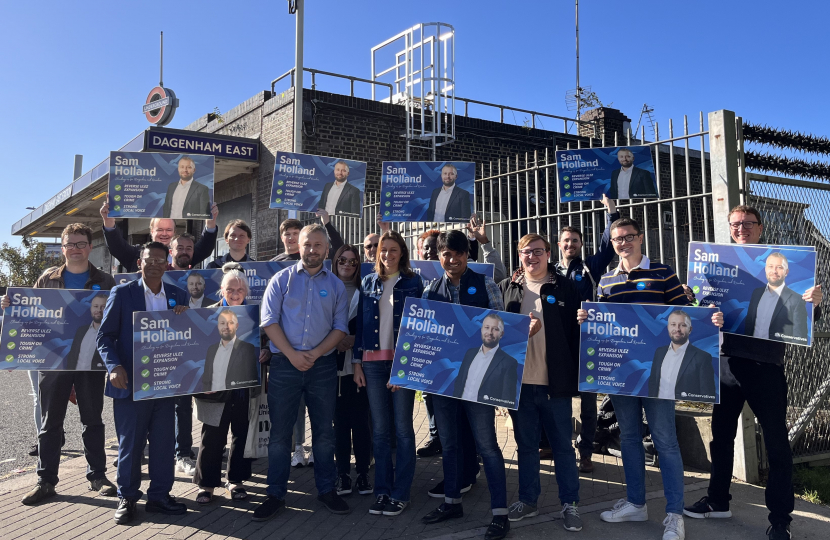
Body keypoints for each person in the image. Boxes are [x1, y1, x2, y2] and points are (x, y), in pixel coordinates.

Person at [577, 217, 723, 540]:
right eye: (617, 239)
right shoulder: (606, 281)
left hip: (660, 376)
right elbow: (604, 327)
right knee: (628, 438)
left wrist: (709, 317)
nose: (624, 242)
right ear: (612, 244)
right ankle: (636, 503)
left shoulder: (663, 273)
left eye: (629, 236)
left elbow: (687, 316)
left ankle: (674, 515)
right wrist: (586, 318)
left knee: (665, 441)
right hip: (622, 374)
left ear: (641, 237)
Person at [683, 205, 823, 540]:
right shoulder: (722, 269)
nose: (741, 228)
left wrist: (814, 303)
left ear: (760, 228)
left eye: (748, 223)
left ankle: (780, 520)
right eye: (735, 224)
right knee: (721, 439)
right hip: (727, 363)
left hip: (765, 368)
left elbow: (803, 324)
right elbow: (703, 314)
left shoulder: (786, 276)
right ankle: (718, 501)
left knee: (777, 445)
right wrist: (692, 299)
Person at [7, 223, 117, 506]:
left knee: (92, 420)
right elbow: (28, 313)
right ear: (63, 246)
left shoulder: (106, 281)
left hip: (90, 362)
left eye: (81, 244)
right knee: (50, 423)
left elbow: (116, 320)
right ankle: (45, 481)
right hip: (53, 362)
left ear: (90, 247)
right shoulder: (47, 278)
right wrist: (10, 306)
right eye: (70, 244)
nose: (75, 249)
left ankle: (98, 477)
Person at [254, 223, 350, 520]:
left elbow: (340, 328)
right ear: (300, 245)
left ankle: (326, 490)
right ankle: (275, 494)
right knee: (280, 435)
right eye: (307, 244)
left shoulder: (335, 285)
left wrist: (315, 354)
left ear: (326, 249)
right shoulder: (280, 280)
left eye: (318, 246)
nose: (312, 250)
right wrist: (294, 356)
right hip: (284, 366)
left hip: (321, 367)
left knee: (324, 434)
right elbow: (269, 322)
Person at [421, 230, 510, 540]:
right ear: (439, 256)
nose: (452, 258)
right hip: (444, 382)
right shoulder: (431, 289)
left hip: (478, 381)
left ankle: (500, 513)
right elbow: (424, 337)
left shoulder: (485, 285)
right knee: (450, 444)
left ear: (467, 255)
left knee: (486, 445)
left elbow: (501, 330)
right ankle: (451, 502)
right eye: (446, 253)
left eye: (458, 252)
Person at [97, 241, 189, 524]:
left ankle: (159, 496)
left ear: (167, 264)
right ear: (140, 263)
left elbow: (189, 335)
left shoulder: (177, 294)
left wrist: (186, 319)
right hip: (130, 385)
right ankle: (127, 498)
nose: (154, 264)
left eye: (160, 260)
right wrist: (114, 366)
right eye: (149, 259)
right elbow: (104, 337)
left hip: (164, 384)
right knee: (131, 445)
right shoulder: (122, 293)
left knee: (162, 444)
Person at [500, 233, 583, 530]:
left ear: (549, 253)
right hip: (520, 384)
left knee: (562, 446)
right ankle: (528, 500)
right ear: (519, 255)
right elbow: (495, 334)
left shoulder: (567, 288)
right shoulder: (506, 288)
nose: (531, 257)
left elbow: (577, 336)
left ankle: (569, 503)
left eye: (537, 251)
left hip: (554, 384)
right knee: (525, 446)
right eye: (525, 252)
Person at [353, 231, 424, 517]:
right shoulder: (368, 282)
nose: (387, 255)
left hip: (401, 364)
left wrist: (406, 368)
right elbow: (359, 326)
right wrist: (357, 363)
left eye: (393, 250)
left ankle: (401, 493)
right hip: (372, 363)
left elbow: (419, 327)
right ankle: (382, 490)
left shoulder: (414, 282)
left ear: (402, 253)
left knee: (403, 430)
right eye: (383, 250)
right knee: (380, 432)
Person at [193, 263, 267, 504]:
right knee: (212, 437)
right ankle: (207, 485)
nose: (235, 294)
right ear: (221, 291)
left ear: (246, 293)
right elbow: (195, 351)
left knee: (242, 435)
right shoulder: (206, 315)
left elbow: (267, 344)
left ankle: (236, 481)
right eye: (230, 289)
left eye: (240, 290)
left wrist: (267, 353)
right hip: (214, 388)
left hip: (244, 389)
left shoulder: (255, 318)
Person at [556, 194, 620, 473]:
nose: (570, 245)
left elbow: (608, 246)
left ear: (581, 245)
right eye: (566, 241)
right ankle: (557, 446)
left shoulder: (589, 267)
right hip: (558, 343)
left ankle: (585, 451)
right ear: (559, 245)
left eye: (575, 241)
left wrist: (611, 211)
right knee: (558, 398)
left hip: (585, 342)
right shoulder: (550, 271)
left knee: (588, 403)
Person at [331, 245, 373, 497]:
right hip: (333, 367)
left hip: (359, 366)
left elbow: (373, 325)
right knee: (340, 424)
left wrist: (354, 340)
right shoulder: (326, 291)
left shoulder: (365, 291)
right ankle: (343, 474)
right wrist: (336, 341)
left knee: (361, 422)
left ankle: (364, 473)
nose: (347, 264)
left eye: (353, 261)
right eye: (342, 260)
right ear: (335, 262)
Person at [100, 200, 219, 272]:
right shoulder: (137, 253)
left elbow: (205, 248)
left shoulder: (182, 254)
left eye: (168, 230)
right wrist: (109, 222)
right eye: (160, 230)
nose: (164, 233)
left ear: (174, 232)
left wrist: (210, 222)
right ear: (151, 231)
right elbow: (117, 248)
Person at [647, 310, 717, 402]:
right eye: (673, 324)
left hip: (685, 411)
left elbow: (707, 393)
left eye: (683, 325)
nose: (677, 329)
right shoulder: (659, 352)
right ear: (668, 327)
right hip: (658, 408)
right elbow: (653, 383)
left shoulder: (702, 357)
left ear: (690, 329)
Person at [452, 313, 519, 404]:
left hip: (482, 412)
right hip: (459, 406)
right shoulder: (470, 353)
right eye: (486, 327)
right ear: (482, 329)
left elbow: (507, 398)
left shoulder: (509, 362)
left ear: (501, 334)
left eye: (495, 329)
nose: (490, 332)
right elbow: (459, 382)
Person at [745, 252, 809, 343]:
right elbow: (749, 324)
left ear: (786, 272)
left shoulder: (797, 300)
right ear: (766, 269)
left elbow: (800, 337)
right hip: (750, 350)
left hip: (776, 354)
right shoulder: (756, 293)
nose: (774, 271)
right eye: (770, 266)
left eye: (779, 267)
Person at [201, 310, 259, 392]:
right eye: (222, 323)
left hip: (235, 401)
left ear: (237, 326)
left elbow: (251, 380)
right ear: (218, 326)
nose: (226, 327)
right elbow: (206, 377)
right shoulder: (211, 349)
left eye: (230, 323)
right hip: (212, 400)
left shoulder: (247, 348)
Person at [271, 211, 345, 261]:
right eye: (287, 234)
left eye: (295, 233)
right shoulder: (273, 263)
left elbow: (340, 249)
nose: (291, 237)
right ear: (281, 238)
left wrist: (327, 224)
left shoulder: (314, 256)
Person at [64, 293, 109, 371]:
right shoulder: (81, 331)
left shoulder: (113, 333)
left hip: (97, 380)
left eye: (103, 307)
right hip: (76, 378)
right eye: (96, 306)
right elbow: (72, 358)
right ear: (91, 308)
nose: (98, 310)